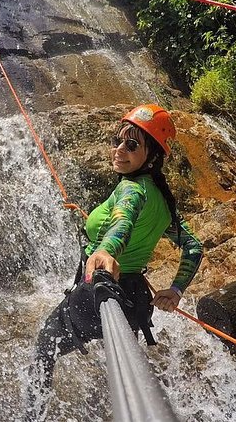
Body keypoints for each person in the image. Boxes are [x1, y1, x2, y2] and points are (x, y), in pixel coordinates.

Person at [27, 103, 203, 414]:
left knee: (44, 348)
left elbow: (123, 221)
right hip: (134, 301)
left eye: (132, 145)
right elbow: (193, 247)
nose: (119, 150)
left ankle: (31, 414)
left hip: (99, 291)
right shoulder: (161, 199)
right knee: (120, 370)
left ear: (152, 155)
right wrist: (176, 290)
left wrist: (106, 251)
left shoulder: (132, 190)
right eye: (117, 141)